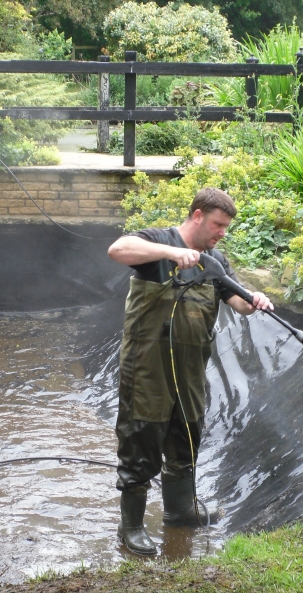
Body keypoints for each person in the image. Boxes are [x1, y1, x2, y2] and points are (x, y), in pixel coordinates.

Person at [107, 187, 273, 555]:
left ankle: (179, 512)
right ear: (197, 216)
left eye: (226, 227)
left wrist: (254, 300)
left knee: (186, 439)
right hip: (146, 367)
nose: (221, 233)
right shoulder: (157, 242)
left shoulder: (215, 262)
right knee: (142, 441)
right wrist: (172, 253)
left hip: (190, 369)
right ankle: (130, 527)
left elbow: (237, 302)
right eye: (218, 224)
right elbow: (117, 250)